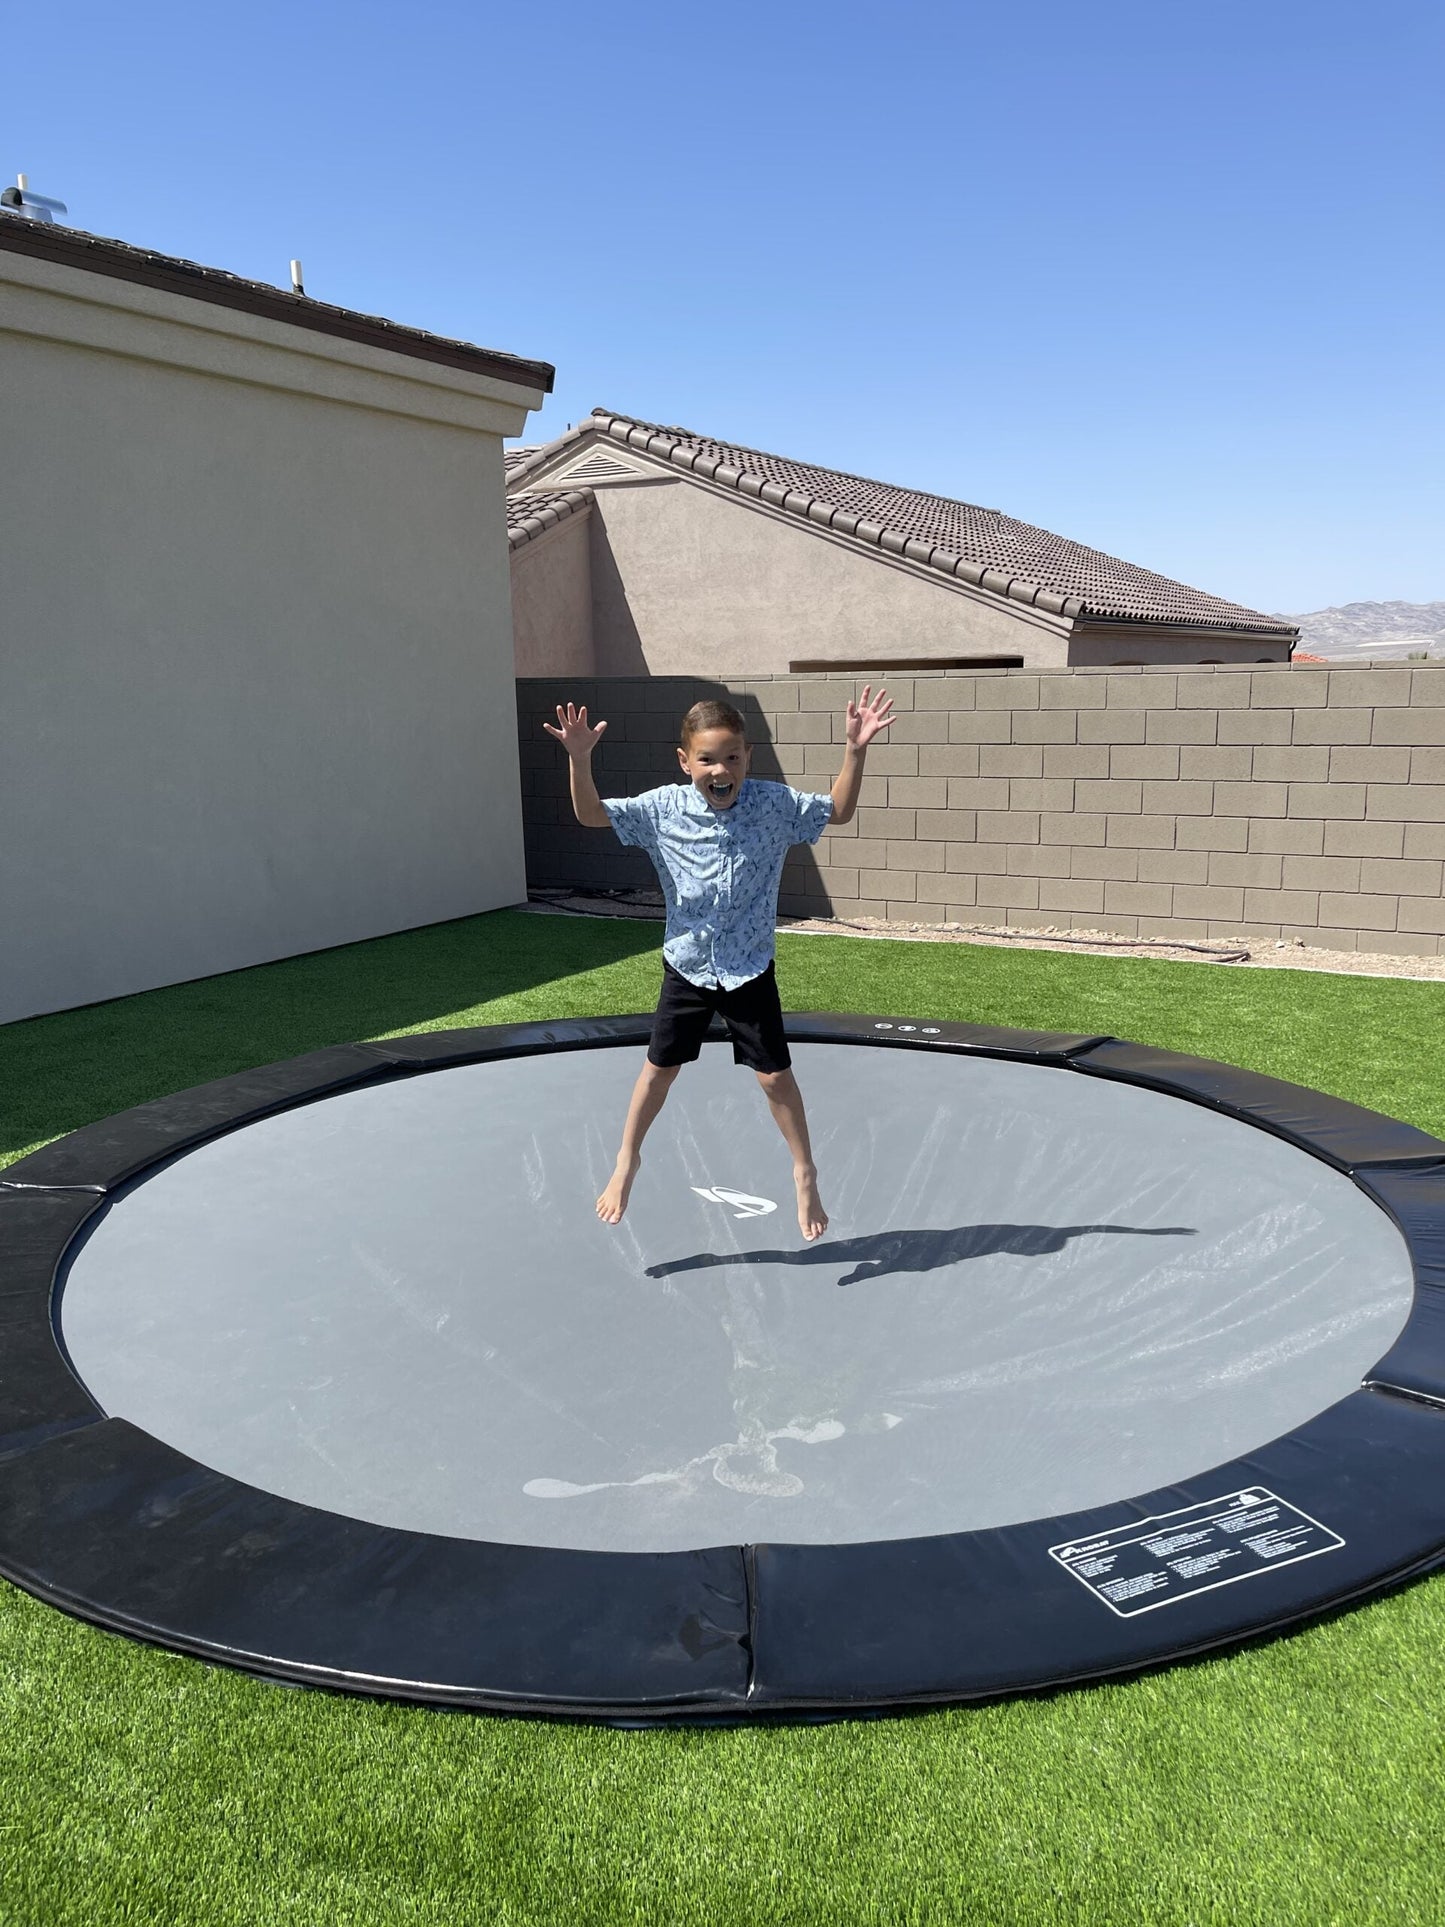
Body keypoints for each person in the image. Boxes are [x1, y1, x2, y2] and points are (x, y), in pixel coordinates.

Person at [543, 687, 894, 1240]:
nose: (720, 769)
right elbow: (590, 815)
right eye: (707, 758)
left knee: (776, 1076)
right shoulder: (660, 810)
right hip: (687, 962)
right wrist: (580, 758)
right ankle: (627, 1160)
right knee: (658, 1070)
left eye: (732, 757)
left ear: (748, 757)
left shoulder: (775, 805)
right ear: (686, 762)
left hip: (749, 965)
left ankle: (805, 1170)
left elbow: (840, 810)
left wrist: (855, 750)